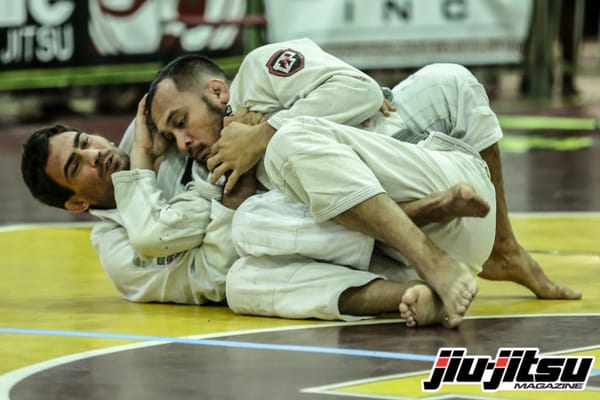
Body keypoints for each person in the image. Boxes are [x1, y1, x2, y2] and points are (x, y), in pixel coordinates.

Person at [144, 38, 580, 301]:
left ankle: (505, 248)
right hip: (377, 239)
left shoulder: (259, 73)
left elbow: (361, 90)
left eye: (181, 122)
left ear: (218, 91)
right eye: (171, 137)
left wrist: (268, 129)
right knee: (282, 164)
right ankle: (421, 262)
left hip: (400, 152)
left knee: (450, 80)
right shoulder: (209, 174)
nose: (184, 143)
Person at [21, 97, 491, 327]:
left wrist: (249, 128)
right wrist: (149, 162)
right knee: (245, 261)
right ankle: (412, 293)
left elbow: (203, 106)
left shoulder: (158, 137)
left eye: (85, 142)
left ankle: (424, 220)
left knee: (272, 192)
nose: (95, 154)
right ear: (76, 203)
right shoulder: (118, 255)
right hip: (254, 262)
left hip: (282, 218)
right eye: (75, 166)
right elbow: (177, 247)